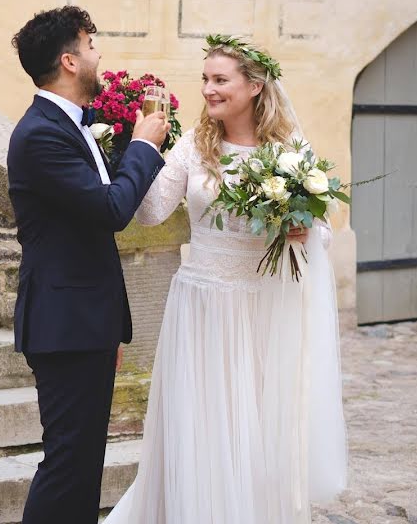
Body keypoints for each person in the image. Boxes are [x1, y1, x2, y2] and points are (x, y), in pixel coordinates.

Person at [105, 35, 348, 523]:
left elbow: (320, 233)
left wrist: (304, 228)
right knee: (201, 423)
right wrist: (134, 150)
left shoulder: (289, 149)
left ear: (254, 86)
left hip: (261, 308)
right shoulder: (196, 146)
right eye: (205, 80)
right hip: (201, 305)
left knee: (255, 424)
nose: (209, 90)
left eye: (220, 80)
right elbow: (150, 213)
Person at [7, 5, 171, 524]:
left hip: (83, 322)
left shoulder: (75, 125)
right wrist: (145, 144)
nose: (99, 56)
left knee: (81, 467)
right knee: (68, 465)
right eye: (91, 46)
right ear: (69, 60)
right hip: (64, 324)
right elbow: (109, 211)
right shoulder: (40, 134)